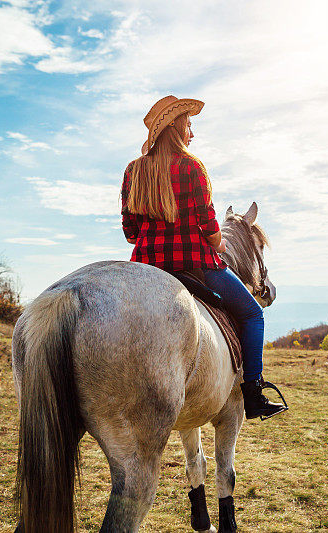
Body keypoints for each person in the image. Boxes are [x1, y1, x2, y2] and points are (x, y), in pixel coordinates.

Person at [120, 95, 286, 420]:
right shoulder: (192, 167)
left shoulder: (134, 171)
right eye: (189, 125)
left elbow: (130, 232)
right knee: (253, 315)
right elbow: (210, 227)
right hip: (196, 263)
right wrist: (219, 244)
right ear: (177, 126)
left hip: (146, 266)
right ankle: (253, 392)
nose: (192, 133)